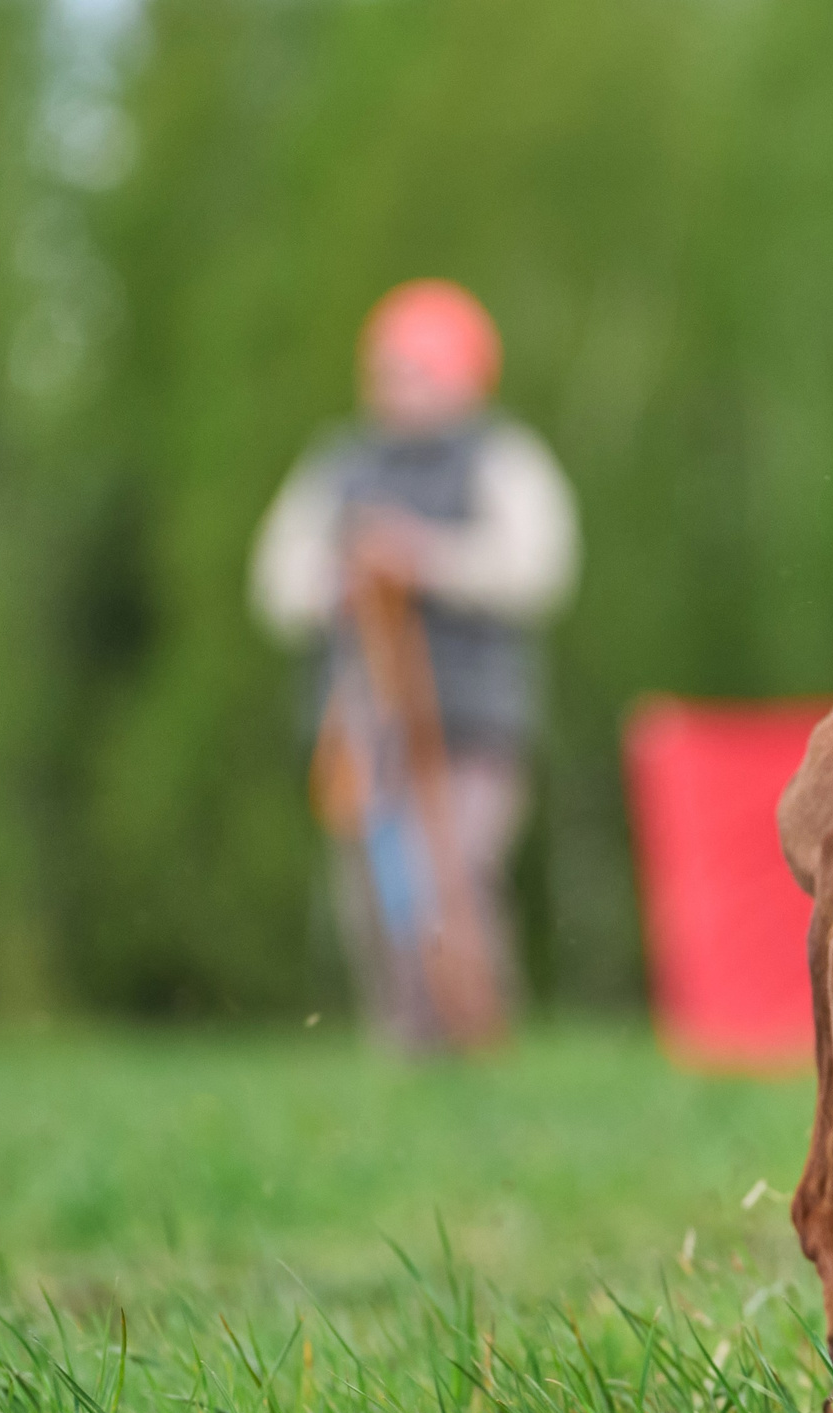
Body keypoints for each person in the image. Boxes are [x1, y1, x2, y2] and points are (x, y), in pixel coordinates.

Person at [251, 280, 579, 1048]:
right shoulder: (338, 465)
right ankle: (404, 1040)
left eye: (416, 371)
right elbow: (276, 583)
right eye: (388, 371)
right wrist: (345, 574)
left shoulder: (501, 457)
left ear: (463, 374)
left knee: (458, 871)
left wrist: (424, 559)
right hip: (367, 721)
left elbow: (540, 567)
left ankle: (475, 1028)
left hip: (474, 722)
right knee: (373, 886)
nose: (397, 389)